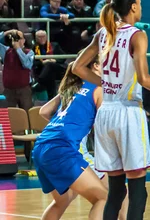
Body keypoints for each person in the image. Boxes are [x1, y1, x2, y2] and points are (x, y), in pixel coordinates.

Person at [72, 0, 150, 220]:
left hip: (106, 114)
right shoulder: (137, 35)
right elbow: (144, 79)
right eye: (140, 3)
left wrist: (105, 82)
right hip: (127, 113)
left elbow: (77, 67)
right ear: (133, 6)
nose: (141, 7)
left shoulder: (103, 33)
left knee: (115, 190)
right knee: (137, 189)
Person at [32, 57, 107, 220]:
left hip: (41, 145)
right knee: (103, 198)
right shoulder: (99, 88)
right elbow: (104, 128)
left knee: (62, 201)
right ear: (95, 67)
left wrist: (66, 124)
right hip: (62, 148)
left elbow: (43, 112)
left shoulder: (71, 87)